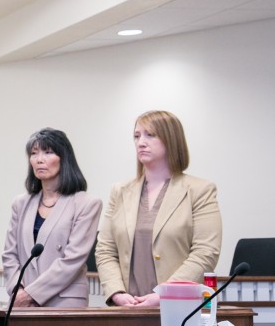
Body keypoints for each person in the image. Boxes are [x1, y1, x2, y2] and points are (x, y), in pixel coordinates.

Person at [95, 110, 222, 307]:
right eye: (136, 136)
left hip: (181, 306)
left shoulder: (200, 190)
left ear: (171, 139)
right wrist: (117, 293)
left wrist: (165, 294)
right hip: (128, 308)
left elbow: (205, 252)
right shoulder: (119, 191)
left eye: (150, 135)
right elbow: (105, 250)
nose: (141, 142)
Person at [1, 128, 102, 307]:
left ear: (64, 158)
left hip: (64, 301)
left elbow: (73, 260)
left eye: (48, 152)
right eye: (34, 153)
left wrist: (31, 294)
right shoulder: (20, 203)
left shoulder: (86, 204)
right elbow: (10, 255)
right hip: (22, 302)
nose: (39, 159)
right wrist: (18, 291)